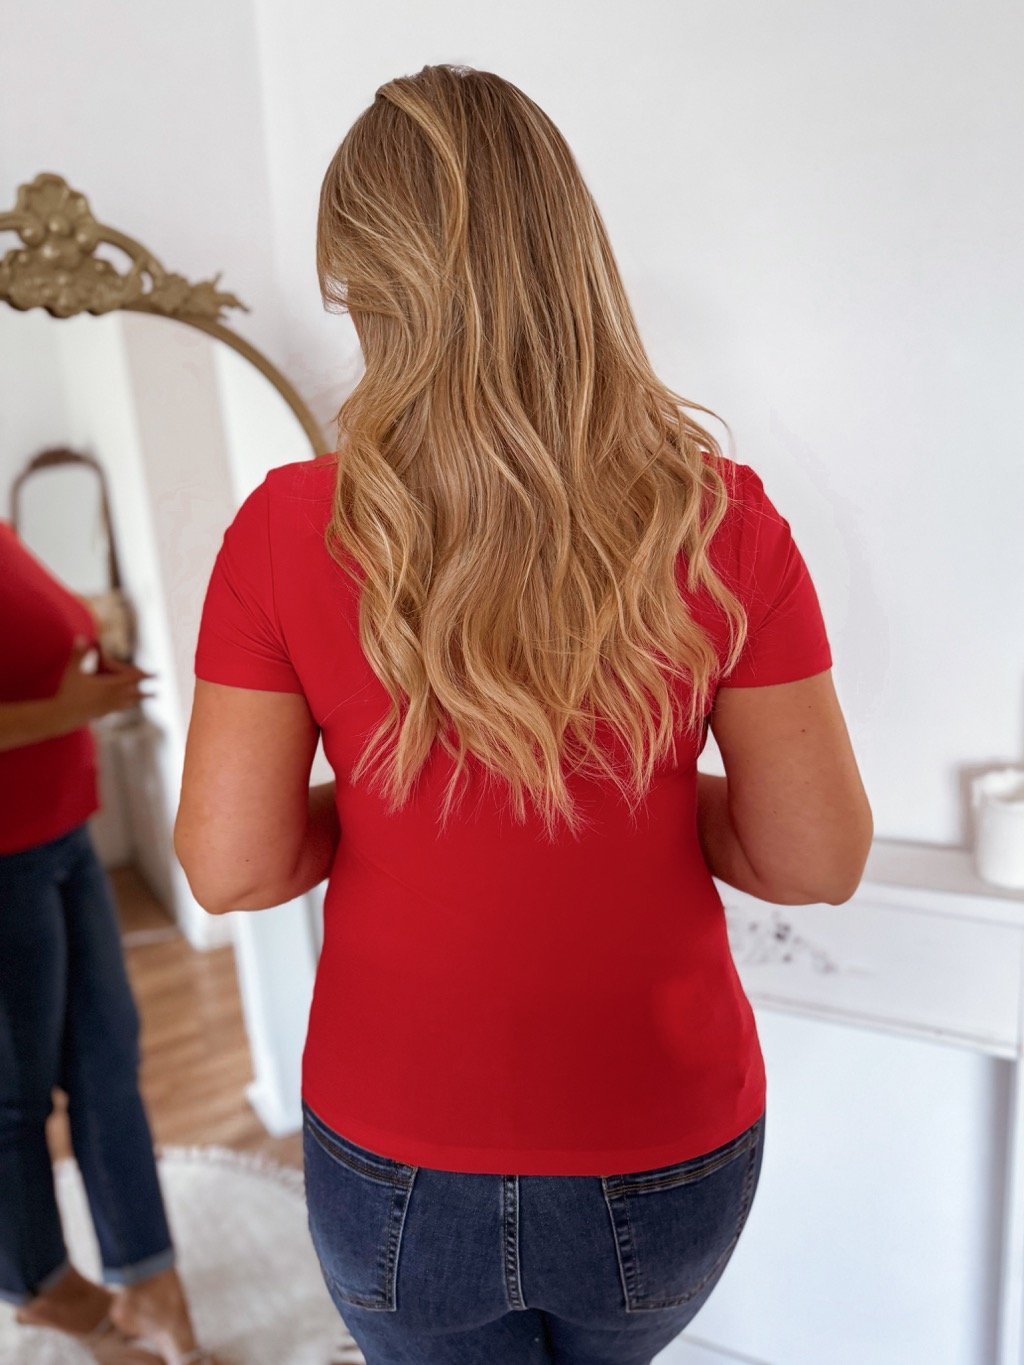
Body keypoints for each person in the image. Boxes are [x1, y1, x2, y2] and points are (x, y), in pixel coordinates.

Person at [176, 64, 873, 1365]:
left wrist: (393, 801)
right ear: (571, 259)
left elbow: (234, 867)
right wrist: (637, 795)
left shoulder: (286, 527)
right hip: (665, 1138)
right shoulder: (720, 518)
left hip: (396, 1150)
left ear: (361, 280)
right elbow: (813, 860)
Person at [0, 518, 220, 1365]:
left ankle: (148, 1275)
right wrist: (73, 708)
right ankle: (41, 1285)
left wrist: (86, 681)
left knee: (106, 1062)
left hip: (60, 826)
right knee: (14, 1096)